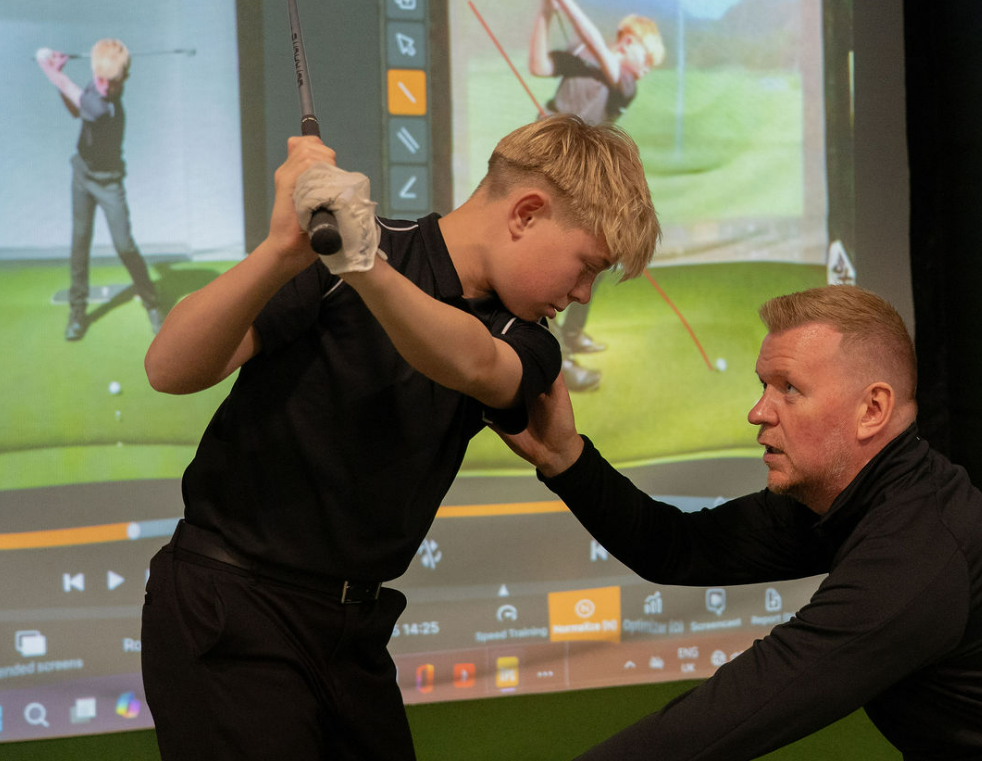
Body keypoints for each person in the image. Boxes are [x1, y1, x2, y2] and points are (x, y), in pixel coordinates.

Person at [140, 113, 659, 760]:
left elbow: (472, 364)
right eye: (587, 267)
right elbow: (170, 368)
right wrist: (280, 253)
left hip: (352, 634)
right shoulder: (344, 254)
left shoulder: (522, 335)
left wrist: (364, 268)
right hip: (230, 607)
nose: (580, 294)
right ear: (526, 213)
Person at [501, 285, 982, 759]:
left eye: (788, 388)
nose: (759, 412)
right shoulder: (851, 498)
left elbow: (734, 716)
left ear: (872, 409)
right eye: (763, 386)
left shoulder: (920, 553)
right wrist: (566, 458)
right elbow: (679, 549)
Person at [529, 0, 665, 392]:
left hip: (582, 169)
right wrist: (546, 10)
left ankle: (569, 337)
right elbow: (537, 65)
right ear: (628, 42)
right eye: (646, 59)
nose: (645, 70)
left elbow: (597, 49)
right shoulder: (591, 55)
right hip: (547, 160)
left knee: (600, 252)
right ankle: (557, 360)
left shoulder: (624, 82)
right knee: (551, 260)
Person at [36, 38, 163, 341]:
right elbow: (74, 109)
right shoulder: (95, 89)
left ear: (124, 79)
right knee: (80, 243)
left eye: (112, 81)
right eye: (100, 79)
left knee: (124, 245)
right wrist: (59, 79)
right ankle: (77, 311)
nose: (104, 86)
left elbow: (78, 99)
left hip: (109, 182)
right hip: (82, 175)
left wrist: (50, 68)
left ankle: (153, 303)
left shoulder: (108, 107)